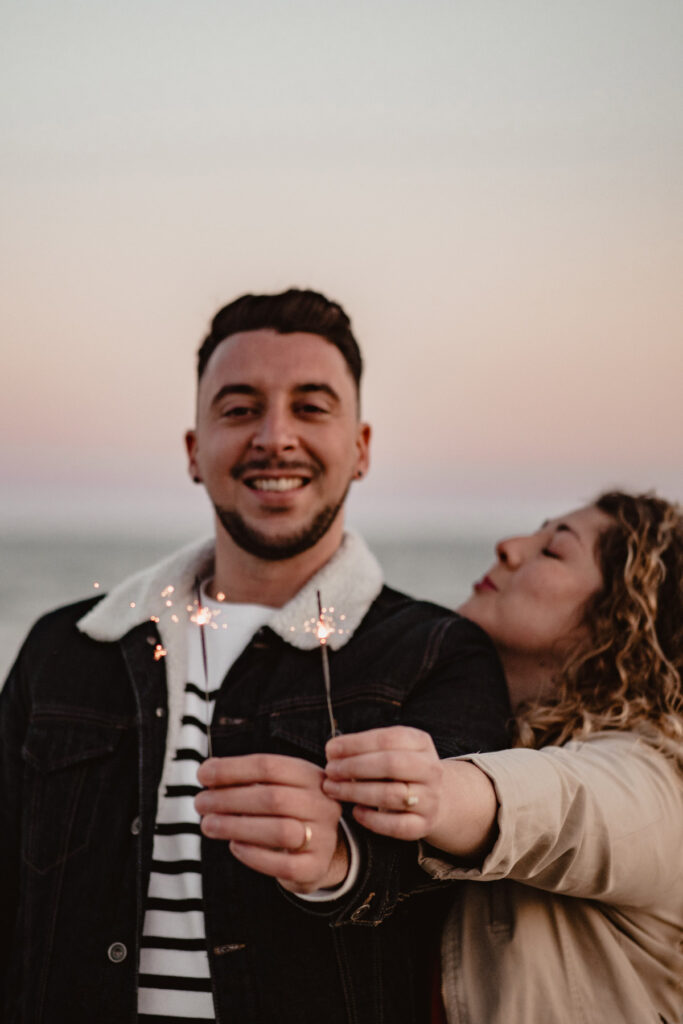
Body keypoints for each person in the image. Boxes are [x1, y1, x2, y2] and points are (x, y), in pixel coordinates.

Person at [0, 288, 511, 1024]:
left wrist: (341, 860)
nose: (275, 436)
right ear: (192, 450)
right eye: (239, 409)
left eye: (311, 407)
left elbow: (452, 858)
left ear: (361, 448)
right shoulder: (69, 647)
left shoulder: (436, 652)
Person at [323, 491, 683, 1024]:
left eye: (553, 551)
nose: (510, 547)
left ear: (624, 617)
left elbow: (568, 807)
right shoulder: (485, 733)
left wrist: (437, 793)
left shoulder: (656, 774)